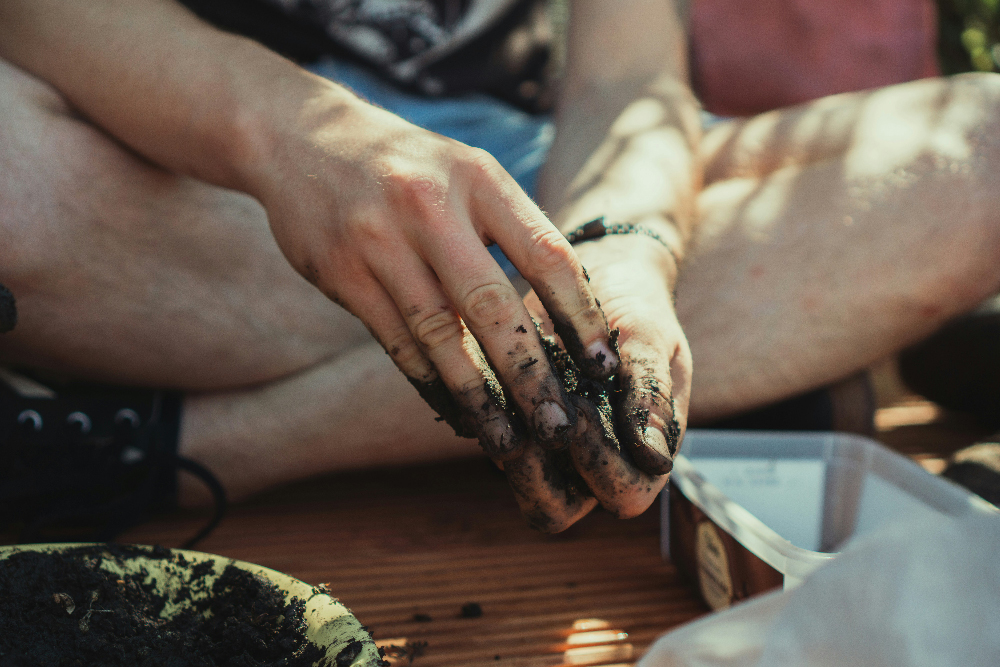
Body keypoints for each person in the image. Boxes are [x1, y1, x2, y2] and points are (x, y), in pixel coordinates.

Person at [1, 0, 999, 539]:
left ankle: (204, 445)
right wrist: (290, 137)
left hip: (524, 168)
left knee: (983, 150)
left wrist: (620, 238)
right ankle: (762, 356)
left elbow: (622, 77)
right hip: (204, 161)